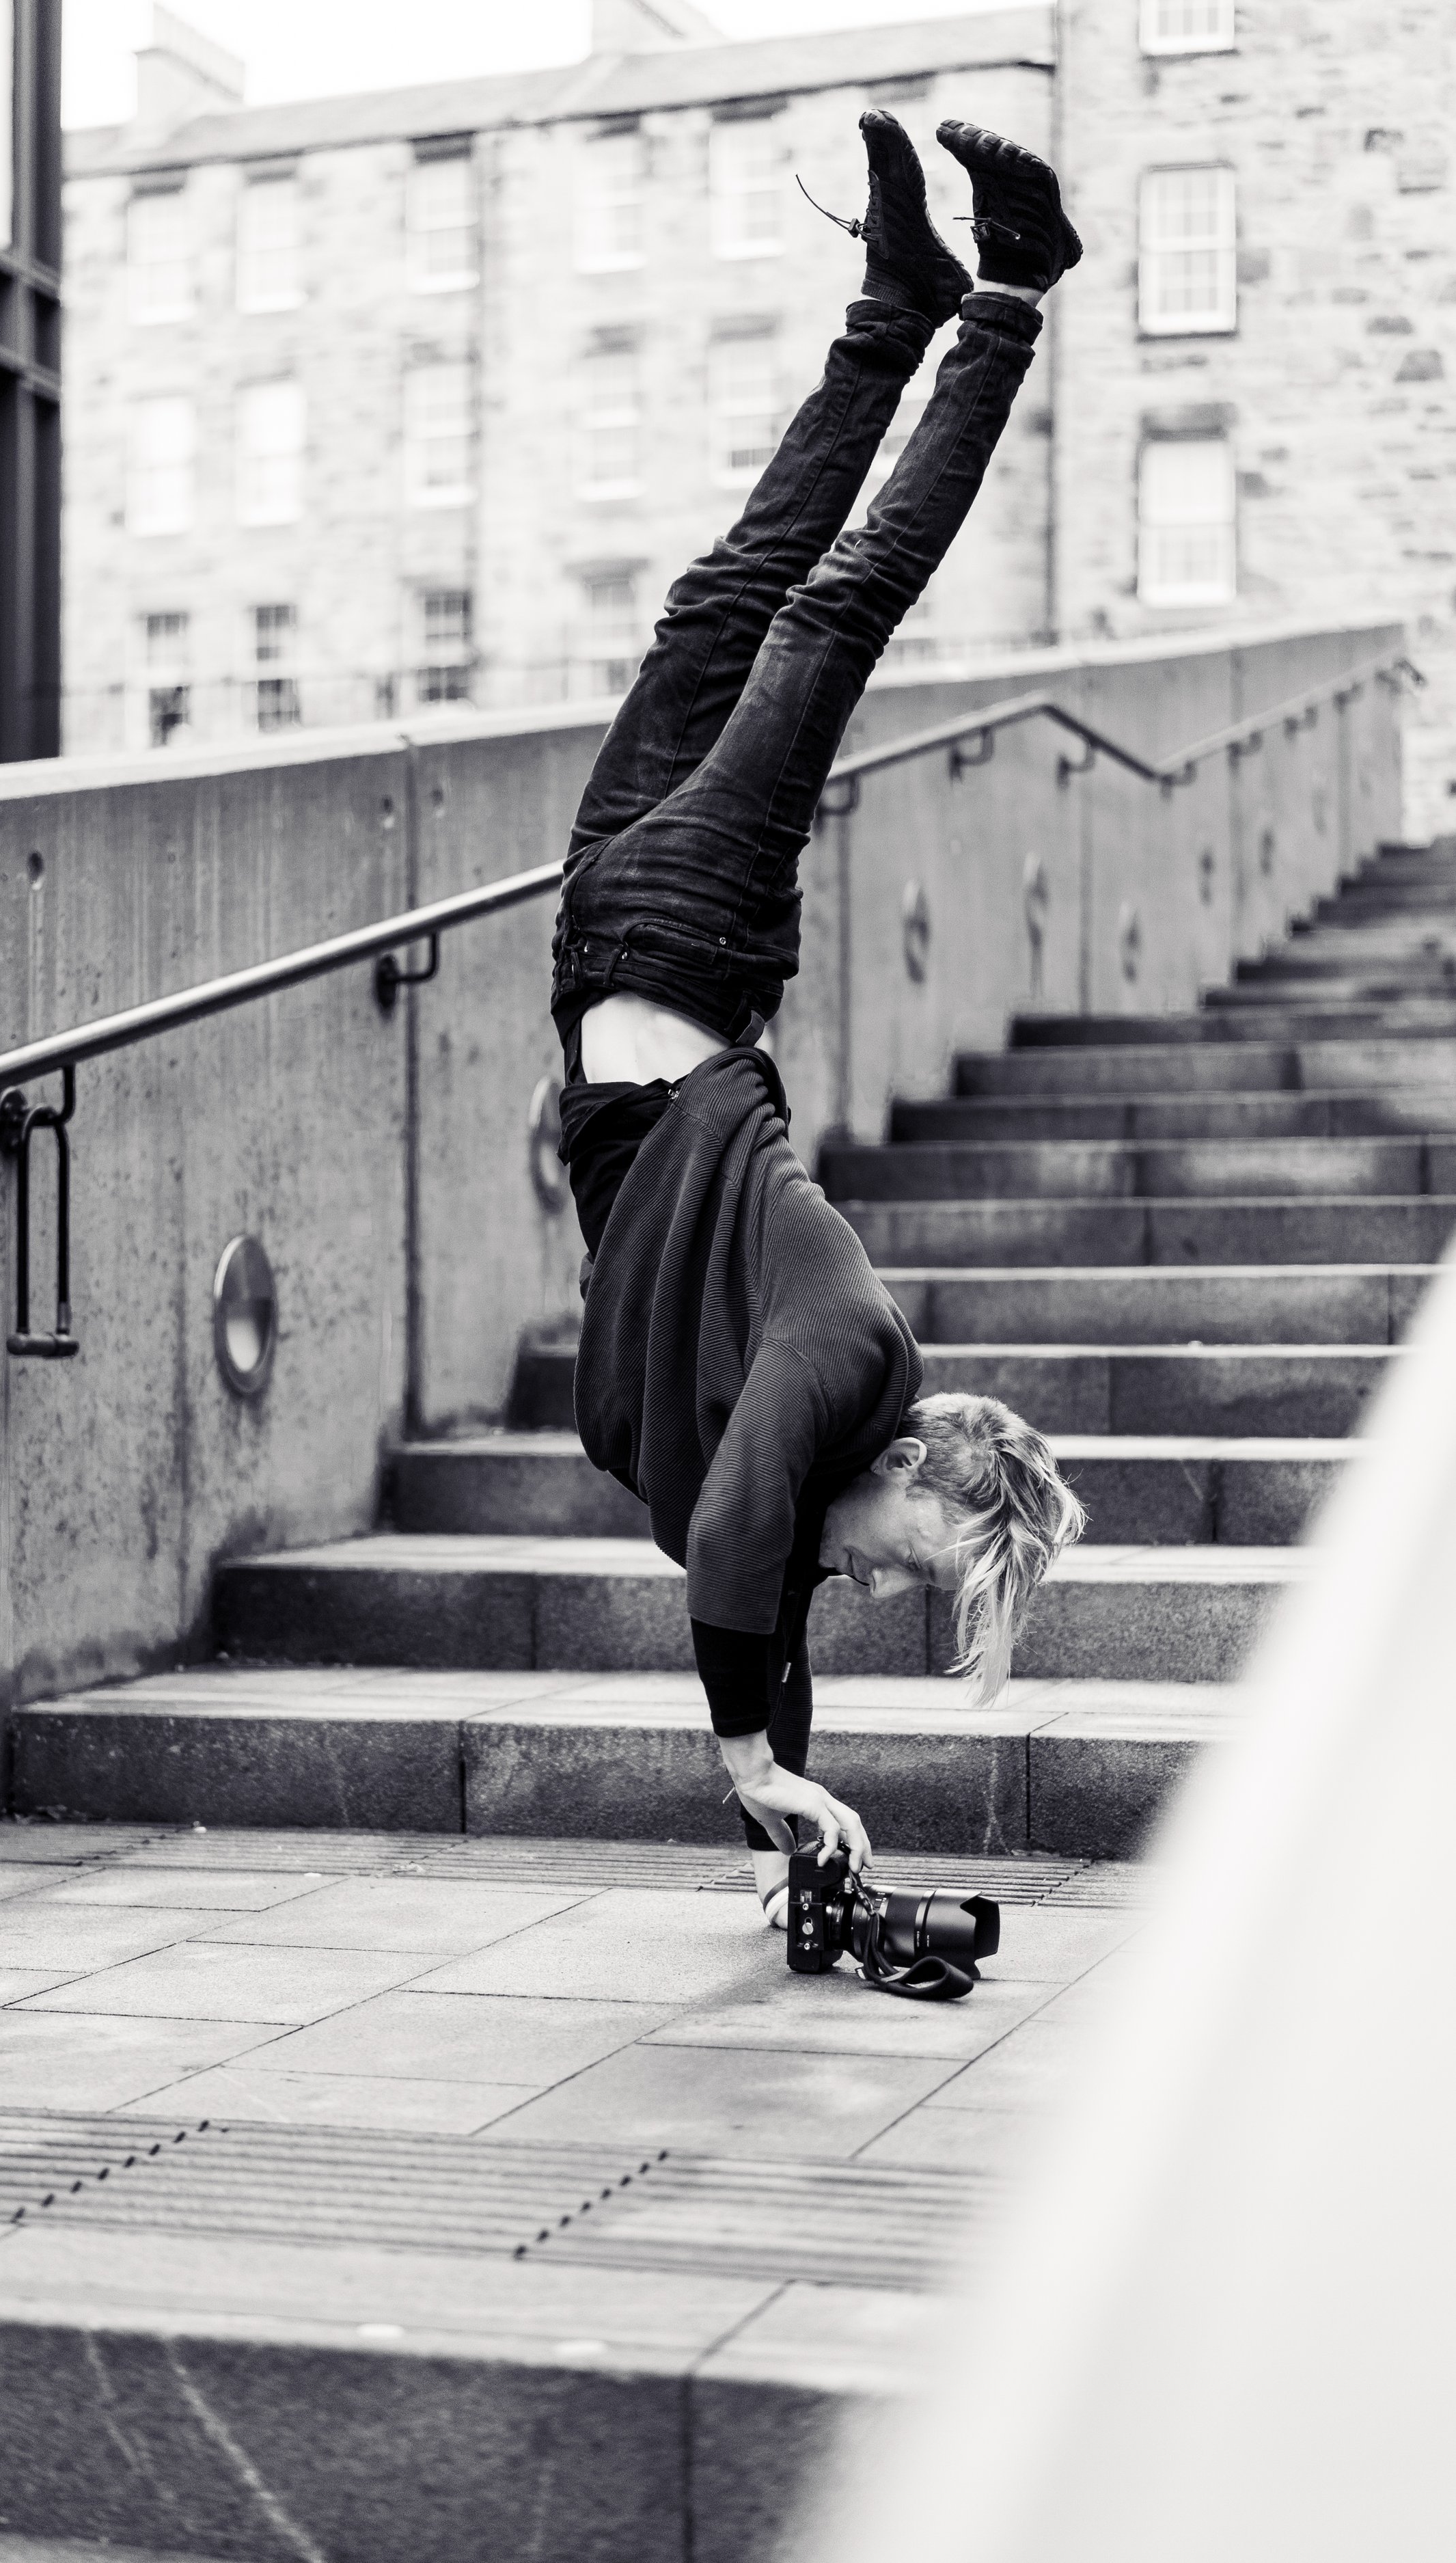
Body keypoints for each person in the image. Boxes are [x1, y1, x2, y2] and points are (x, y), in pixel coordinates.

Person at [551, 116, 1088, 1929]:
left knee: (719, 600)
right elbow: (737, 1552)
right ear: (920, 1464)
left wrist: (804, 1853)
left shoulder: (788, 1456)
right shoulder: (840, 1347)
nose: (882, 1580)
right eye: (922, 1560)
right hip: (690, 944)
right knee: (828, 612)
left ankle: (898, 300)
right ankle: (1010, 292)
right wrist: (748, 1764)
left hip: (597, 926)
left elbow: (758, 1603)